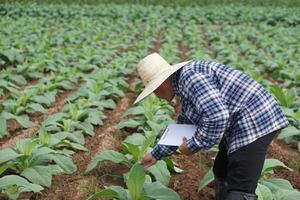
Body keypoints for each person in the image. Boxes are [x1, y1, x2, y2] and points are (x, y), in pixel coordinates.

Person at [134, 53, 289, 200]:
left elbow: (217, 116)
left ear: (162, 83)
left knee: (241, 188)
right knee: (221, 170)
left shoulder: (191, 78)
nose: (156, 95)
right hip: (239, 122)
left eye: (154, 90)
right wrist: (155, 154)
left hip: (255, 120)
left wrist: (194, 145)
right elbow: (186, 124)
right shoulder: (184, 82)